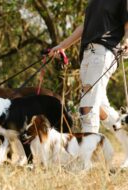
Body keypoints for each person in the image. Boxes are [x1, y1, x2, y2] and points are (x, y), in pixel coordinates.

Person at [49, 0, 128, 168]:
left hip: (103, 52)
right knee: (100, 108)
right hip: (87, 54)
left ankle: (86, 162)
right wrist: (62, 46)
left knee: (87, 107)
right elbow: (85, 26)